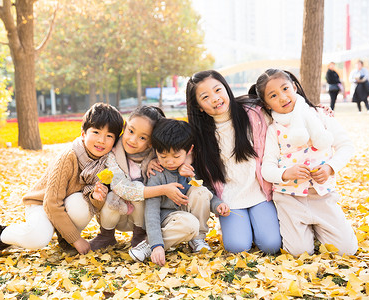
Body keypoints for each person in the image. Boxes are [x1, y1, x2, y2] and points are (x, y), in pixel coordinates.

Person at [0, 103, 124, 261]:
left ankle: (64, 237)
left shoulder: (106, 164)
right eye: (96, 132)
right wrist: (77, 240)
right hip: (42, 203)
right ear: (83, 134)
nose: (101, 140)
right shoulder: (69, 157)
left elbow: (93, 207)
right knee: (38, 238)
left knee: (82, 204)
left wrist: (96, 198)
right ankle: (2, 235)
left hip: (66, 204)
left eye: (109, 136)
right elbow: (51, 203)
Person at [254, 69, 358, 257]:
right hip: (290, 199)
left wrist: (330, 167)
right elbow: (267, 168)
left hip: (322, 196)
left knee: (346, 250)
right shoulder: (273, 130)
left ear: (294, 87)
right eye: (273, 96)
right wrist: (286, 173)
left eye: (286, 89)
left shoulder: (320, 115)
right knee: (298, 252)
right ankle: (306, 232)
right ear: (266, 103)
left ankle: (321, 229)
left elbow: (346, 146)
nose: (283, 97)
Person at [185, 70, 282, 255]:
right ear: (198, 106)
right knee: (237, 247)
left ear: (226, 88)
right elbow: (176, 151)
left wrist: (316, 111)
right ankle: (246, 227)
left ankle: (257, 224)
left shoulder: (254, 113)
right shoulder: (199, 134)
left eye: (218, 90)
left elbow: (286, 113)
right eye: (205, 97)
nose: (215, 98)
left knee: (271, 245)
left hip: (260, 193)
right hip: (230, 199)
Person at [129, 118, 230, 266]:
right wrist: (157, 245)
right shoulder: (157, 172)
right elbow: (151, 211)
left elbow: (206, 193)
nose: (169, 161)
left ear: (189, 150)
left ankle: (198, 239)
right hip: (169, 219)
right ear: (155, 151)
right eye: (163, 156)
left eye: (176, 156)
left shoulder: (190, 169)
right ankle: (150, 245)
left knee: (199, 191)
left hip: (187, 213)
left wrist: (217, 205)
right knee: (189, 225)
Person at [90, 106, 189, 251]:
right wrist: (162, 189)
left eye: (142, 137)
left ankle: (139, 236)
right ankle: (106, 235)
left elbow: (180, 151)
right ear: (125, 126)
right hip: (117, 214)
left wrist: (180, 167)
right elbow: (121, 187)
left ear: (151, 143)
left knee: (143, 199)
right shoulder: (112, 154)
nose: (133, 140)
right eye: (130, 131)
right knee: (112, 196)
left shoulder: (157, 157)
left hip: (143, 219)